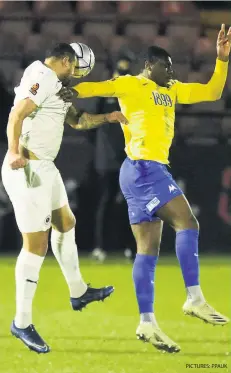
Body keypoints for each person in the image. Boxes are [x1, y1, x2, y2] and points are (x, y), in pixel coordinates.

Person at [66, 24, 231, 353]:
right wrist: (67, 87)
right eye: (166, 65)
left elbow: (212, 92)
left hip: (139, 170)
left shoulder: (171, 89)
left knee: (147, 249)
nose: (171, 71)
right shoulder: (132, 84)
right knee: (188, 223)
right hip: (144, 167)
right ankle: (194, 297)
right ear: (149, 65)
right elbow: (95, 88)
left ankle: (147, 321)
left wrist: (222, 60)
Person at [1, 43, 127, 354]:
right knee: (36, 245)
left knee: (65, 223)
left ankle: (78, 291)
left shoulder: (54, 83)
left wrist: (109, 116)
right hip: (28, 167)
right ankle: (22, 322)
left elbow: (78, 121)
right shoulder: (42, 75)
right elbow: (17, 114)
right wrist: (15, 151)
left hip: (45, 166)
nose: (76, 77)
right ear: (66, 60)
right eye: (77, 70)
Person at [93, 57, 133, 261]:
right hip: (109, 160)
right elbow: (95, 126)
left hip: (128, 157)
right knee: (107, 201)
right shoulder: (105, 95)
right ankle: (101, 246)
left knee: (130, 202)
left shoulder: (132, 96)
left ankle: (130, 247)